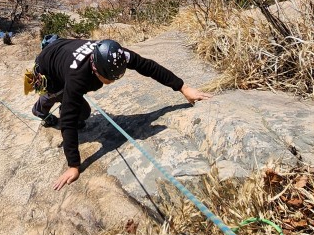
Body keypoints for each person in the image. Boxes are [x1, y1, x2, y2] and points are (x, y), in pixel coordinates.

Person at [29, 37, 210, 191]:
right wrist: (74, 166)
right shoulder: (77, 78)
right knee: (77, 110)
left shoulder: (117, 54)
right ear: (95, 69)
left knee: (75, 107)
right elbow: (68, 122)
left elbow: (147, 66)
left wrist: (183, 87)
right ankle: (40, 109)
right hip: (47, 65)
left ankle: (65, 101)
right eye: (108, 78)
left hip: (65, 50)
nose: (111, 82)